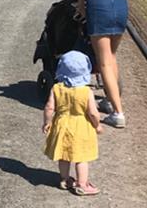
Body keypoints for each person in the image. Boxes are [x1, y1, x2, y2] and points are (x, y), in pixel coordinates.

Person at [76, 0, 128, 128]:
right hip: (120, 0)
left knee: (104, 61)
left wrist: (81, 6)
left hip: (100, 0)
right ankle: (109, 100)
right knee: (112, 56)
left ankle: (118, 112)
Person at [43, 50, 104, 196]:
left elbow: (49, 107)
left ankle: (64, 180)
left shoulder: (57, 88)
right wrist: (97, 125)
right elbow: (93, 112)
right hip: (81, 126)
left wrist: (47, 122)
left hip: (62, 124)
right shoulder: (86, 91)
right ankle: (82, 184)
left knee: (64, 154)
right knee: (81, 157)